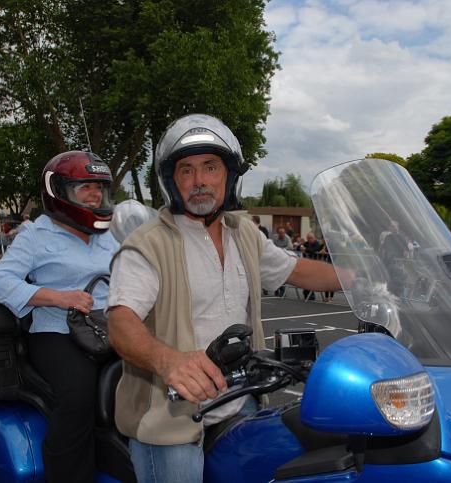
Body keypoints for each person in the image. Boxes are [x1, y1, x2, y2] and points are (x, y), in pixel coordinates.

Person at [106, 113, 341, 483]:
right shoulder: (149, 244)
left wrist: (365, 278)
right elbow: (121, 322)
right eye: (187, 170)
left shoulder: (243, 233)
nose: (199, 180)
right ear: (171, 181)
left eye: (210, 167)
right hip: (170, 415)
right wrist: (170, 362)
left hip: (239, 398)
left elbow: (297, 270)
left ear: (229, 176)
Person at [0, 151, 119, 483]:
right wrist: (58, 297)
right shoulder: (35, 235)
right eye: (85, 187)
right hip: (57, 332)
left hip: (110, 328)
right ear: (59, 191)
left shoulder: (108, 236)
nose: (95, 195)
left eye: (99, 188)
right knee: (78, 395)